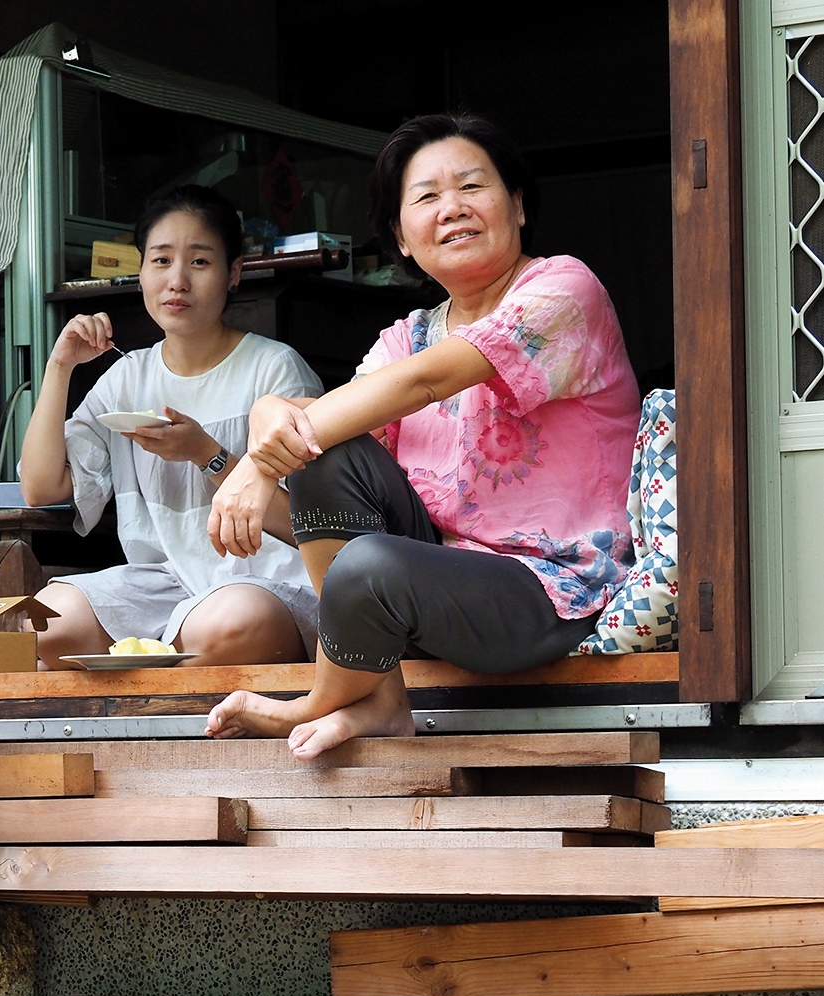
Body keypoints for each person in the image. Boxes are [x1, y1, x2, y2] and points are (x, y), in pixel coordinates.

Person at [205, 114, 639, 757]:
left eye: (472, 186)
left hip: (554, 593)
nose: (453, 208)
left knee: (365, 555)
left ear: (518, 206)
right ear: (401, 238)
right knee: (325, 452)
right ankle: (378, 697)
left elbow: (423, 383)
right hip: (434, 589)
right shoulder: (405, 339)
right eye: (428, 196)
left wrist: (259, 462)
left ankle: (322, 697)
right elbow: (321, 434)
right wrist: (266, 413)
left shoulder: (563, 291)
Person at [18, 184, 323, 668]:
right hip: (165, 584)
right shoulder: (127, 378)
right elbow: (40, 487)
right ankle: (173, 673)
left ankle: (150, 690)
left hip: (265, 581)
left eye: (199, 262)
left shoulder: (275, 370)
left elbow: (310, 523)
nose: (177, 280)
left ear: (233, 273)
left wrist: (205, 453)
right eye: (161, 260)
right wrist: (60, 366)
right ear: (140, 272)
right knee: (41, 623)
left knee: (226, 625)